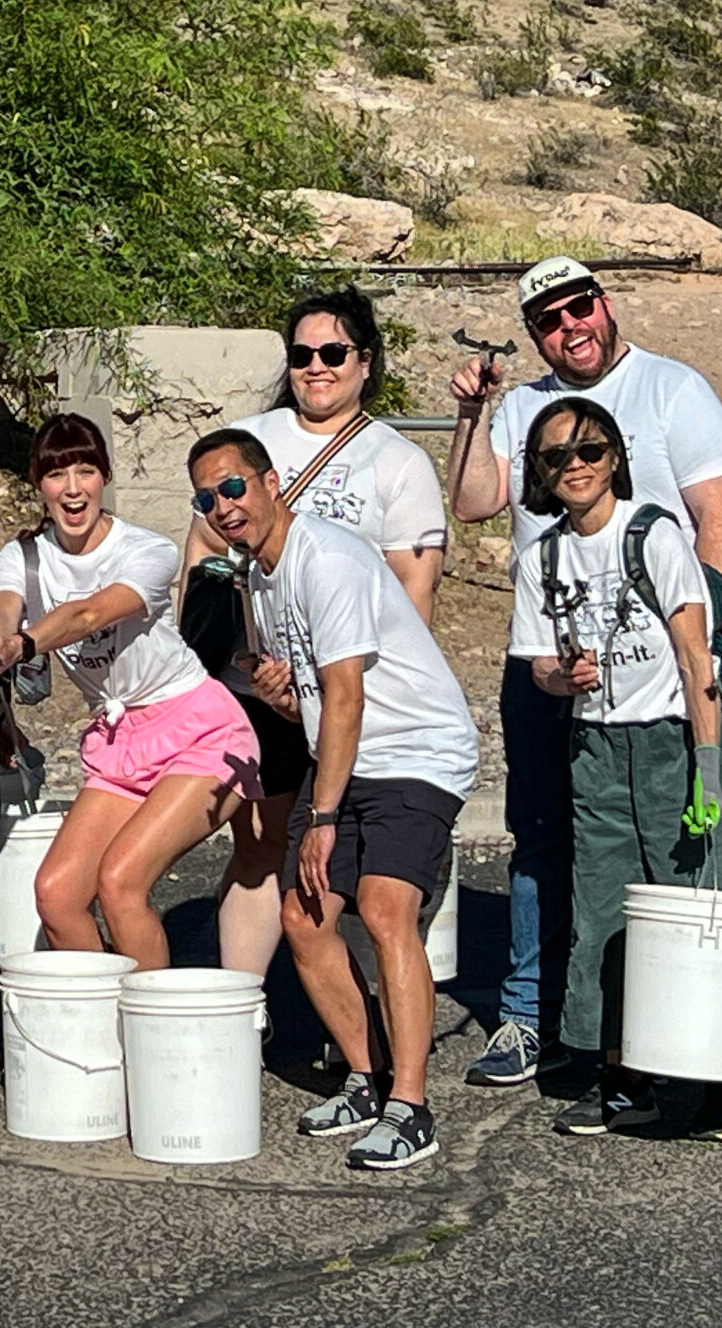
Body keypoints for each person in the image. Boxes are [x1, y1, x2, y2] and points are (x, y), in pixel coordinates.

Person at [447, 257, 722, 1090]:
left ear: (605, 305)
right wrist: (471, 417)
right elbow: (473, 501)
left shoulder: (672, 388)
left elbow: (717, 514)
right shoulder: (524, 406)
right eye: (548, 318)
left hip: (655, 674)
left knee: (663, 845)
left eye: (579, 306)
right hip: (545, 653)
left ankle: (664, 1030)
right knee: (543, 835)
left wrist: (701, 653)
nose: (568, 326)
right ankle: (532, 1014)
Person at [219, 429, 479, 1172]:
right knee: (302, 916)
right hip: (345, 750)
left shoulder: (325, 556)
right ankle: (364, 1079)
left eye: (235, 487)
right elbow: (305, 683)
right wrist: (275, 688)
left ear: (270, 482)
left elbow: (346, 692)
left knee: (387, 906)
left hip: (413, 747)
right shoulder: (257, 577)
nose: (224, 506)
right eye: (208, 497)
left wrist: (323, 817)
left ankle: (411, 1103)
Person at [183, 288, 447, 986]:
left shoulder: (397, 462)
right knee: (262, 845)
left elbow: (412, 595)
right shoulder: (249, 437)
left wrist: (359, 692)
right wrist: (236, 667)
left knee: (350, 863)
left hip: (348, 691)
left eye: (333, 353)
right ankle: (243, 1007)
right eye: (302, 355)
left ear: (365, 361)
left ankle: (360, 1026)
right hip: (262, 687)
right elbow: (203, 564)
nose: (316, 368)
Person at [510, 399, 722, 1142]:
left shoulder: (653, 534)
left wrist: (707, 765)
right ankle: (625, 1079)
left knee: (691, 904)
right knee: (604, 911)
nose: (575, 465)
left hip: (674, 737)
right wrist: (562, 680)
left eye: (589, 450)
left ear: (614, 455)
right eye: (556, 457)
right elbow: (540, 664)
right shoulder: (540, 558)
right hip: (598, 745)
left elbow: (693, 654)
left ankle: (716, 1081)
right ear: (540, 474)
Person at [0, 414, 257, 970]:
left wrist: (25, 644)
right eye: (57, 475)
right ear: (39, 484)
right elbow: (2, 604)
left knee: (121, 881)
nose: (73, 488)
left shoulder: (147, 551)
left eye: (86, 471)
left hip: (198, 731)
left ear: (104, 477)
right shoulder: (25, 557)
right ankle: (108, 1029)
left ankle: (156, 1036)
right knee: (57, 895)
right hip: (119, 743)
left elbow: (89, 614)